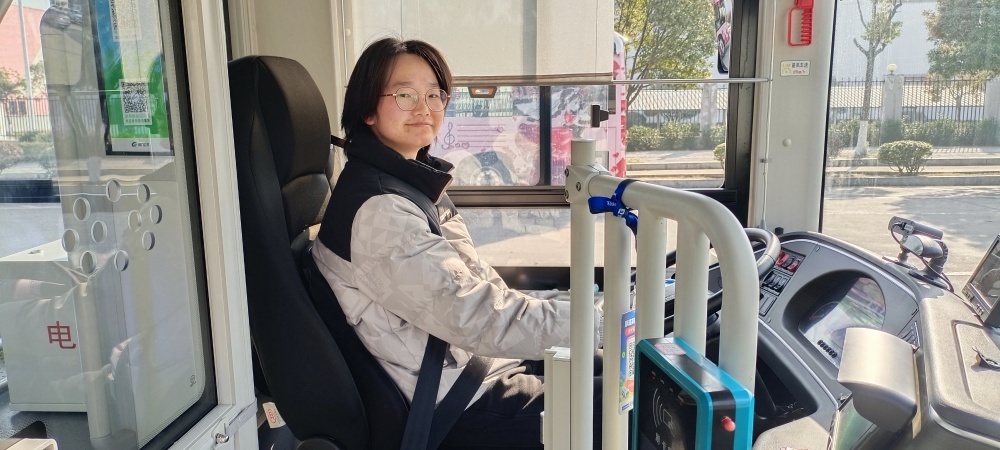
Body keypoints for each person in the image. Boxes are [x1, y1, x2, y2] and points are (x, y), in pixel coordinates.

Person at [311, 37, 605, 449]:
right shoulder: (380, 210)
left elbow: (475, 282)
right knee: (630, 398)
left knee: (616, 368)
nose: (425, 108)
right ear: (367, 110)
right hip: (457, 405)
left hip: (473, 369)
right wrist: (597, 323)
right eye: (405, 94)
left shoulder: (409, 184)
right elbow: (473, 315)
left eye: (435, 94)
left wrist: (577, 317)